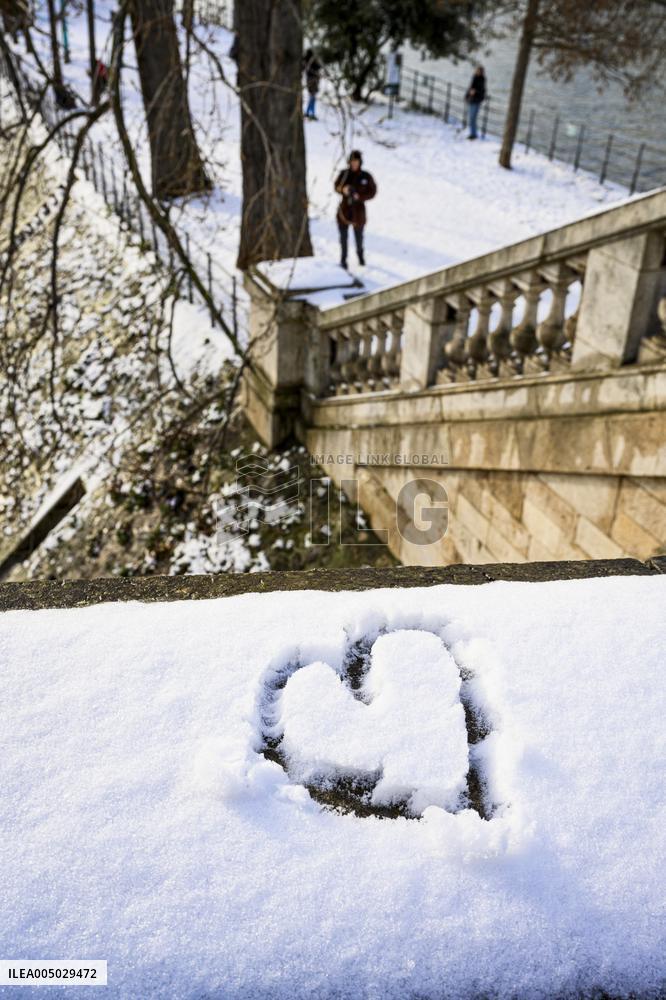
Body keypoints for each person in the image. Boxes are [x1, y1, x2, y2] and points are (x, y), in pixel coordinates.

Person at [334, 150, 377, 269]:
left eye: (356, 161)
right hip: (344, 210)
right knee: (343, 238)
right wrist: (343, 190)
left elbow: (373, 191)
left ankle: (360, 257)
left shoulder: (366, 176)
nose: (354, 163)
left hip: (359, 212)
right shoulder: (344, 174)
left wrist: (360, 196)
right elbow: (336, 186)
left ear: (360, 162)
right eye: (352, 161)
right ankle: (343, 259)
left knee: (359, 237)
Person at [465, 66, 486, 140]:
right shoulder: (474, 78)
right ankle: (472, 133)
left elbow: (482, 91)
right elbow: (470, 88)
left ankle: (473, 134)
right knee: (471, 118)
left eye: (479, 71)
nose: (478, 72)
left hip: (476, 101)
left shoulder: (482, 80)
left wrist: (475, 92)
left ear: (482, 72)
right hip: (471, 100)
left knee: (473, 118)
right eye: (477, 71)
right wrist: (467, 96)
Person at [303, 49, 322, 120]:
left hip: (309, 80)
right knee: (312, 98)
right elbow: (319, 66)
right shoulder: (312, 61)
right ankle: (311, 113)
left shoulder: (306, 61)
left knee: (312, 97)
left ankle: (308, 112)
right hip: (313, 81)